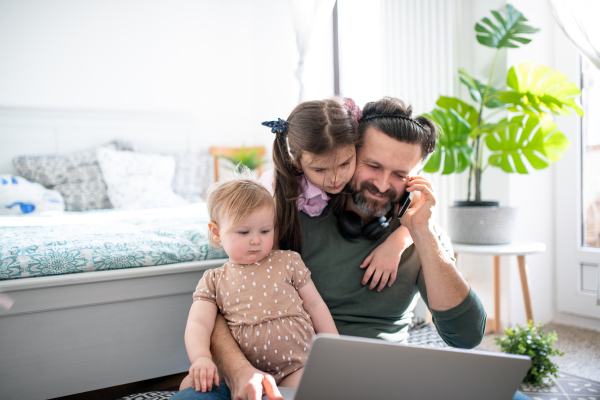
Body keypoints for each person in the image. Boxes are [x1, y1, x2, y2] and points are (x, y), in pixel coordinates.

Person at [172, 97, 531, 400]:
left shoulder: (422, 233)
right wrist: (238, 372)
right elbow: (220, 303)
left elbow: (466, 336)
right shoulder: (287, 215)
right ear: (348, 152)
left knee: (509, 395)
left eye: (400, 175)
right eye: (372, 165)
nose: (381, 184)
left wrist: (418, 231)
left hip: (379, 380)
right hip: (278, 376)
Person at [177, 175, 338, 394]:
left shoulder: (289, 261)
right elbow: (198, 324)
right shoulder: (214, 279)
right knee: (189, 385)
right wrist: (201, 359)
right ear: (217, 233)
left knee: (323, 385)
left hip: (296, 367)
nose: (256, 240)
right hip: (242, 374)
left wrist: (334, 347)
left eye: (265, 231)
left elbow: (315, 305)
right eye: (244, 232)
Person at [260, 97, 415, 292]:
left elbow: (422, 200)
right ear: (297, 162)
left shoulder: (359, 176)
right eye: (319, 170)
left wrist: (398, 241)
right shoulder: (277, 191)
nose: (334, 179)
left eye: (344, 164)